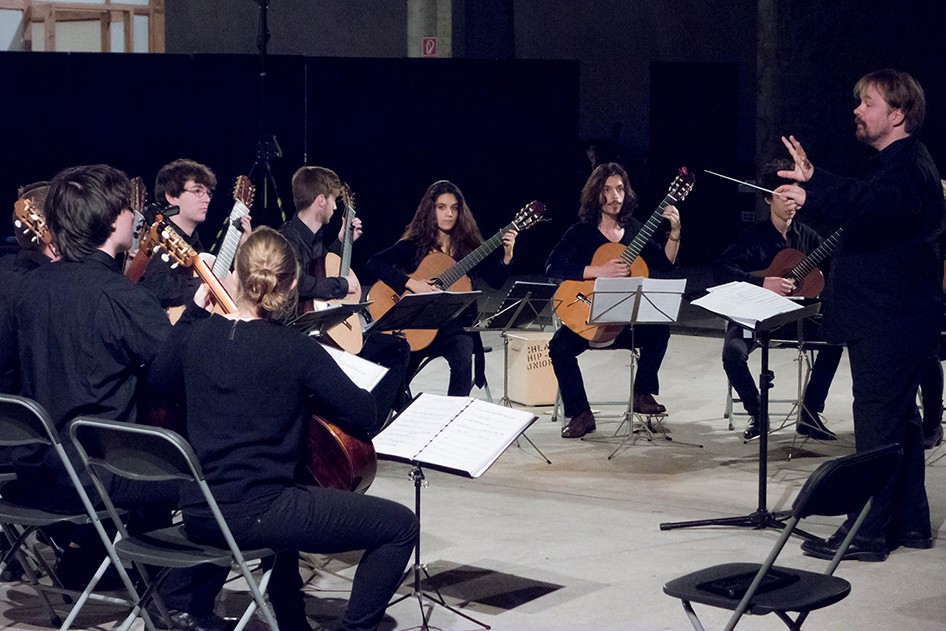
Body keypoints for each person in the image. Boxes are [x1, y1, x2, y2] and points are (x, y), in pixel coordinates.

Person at [151, 227, 418, 631]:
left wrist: (193, 311)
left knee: (292, 485)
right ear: (293, 284)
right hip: (259, 513)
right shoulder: (296, 350)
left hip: (199, 511)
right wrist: (396, 366)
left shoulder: (196, 336)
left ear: (236, 277)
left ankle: (291, 617)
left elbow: (157, 382)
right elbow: (364, 413)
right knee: (400, 526)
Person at [0, 164, 227, 629]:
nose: (133, 217)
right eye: (127, 208)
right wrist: (195, 317)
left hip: (35, 476)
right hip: (95, 478)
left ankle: (111, 566)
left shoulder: (27, 290)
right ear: (110, 221)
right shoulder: (118, 295)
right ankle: (180, 604)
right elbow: (168, 375)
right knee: (224, 485)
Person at [776, 69, 943, 561]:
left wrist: (815, 188)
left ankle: (866, 533)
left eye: (867, 102)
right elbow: (866, 216)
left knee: (875, 428)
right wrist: (813, 186)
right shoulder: (897, 163)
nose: (857, 110)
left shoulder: (908, 166)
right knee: (901, 425)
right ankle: (910, 524)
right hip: (895, 318)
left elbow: (875, 203)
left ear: (897, 114)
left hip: (889, 319)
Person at [546, 162, 681, 438]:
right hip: (589, 317)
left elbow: (666, 264)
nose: (615, 196)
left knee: (659, 330)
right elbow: (553, 268)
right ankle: (580, 413)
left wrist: (675, 232)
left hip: (624, 323)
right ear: (596, 194)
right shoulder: (581, 232)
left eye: (620, 189)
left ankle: (642, 393)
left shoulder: (635, 230)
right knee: (559, 347)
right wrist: (599, 271)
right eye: (607, 190)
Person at [714, 158, 843, 442]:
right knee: (732, 354)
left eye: (795, 196)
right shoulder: (753, 237)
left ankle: (810, 414)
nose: (791, 203)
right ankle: (758, 412)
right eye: (784, 196)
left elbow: (834, 270)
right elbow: (722, 270)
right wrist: (764, 282)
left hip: (796, 318)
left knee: (836, 339)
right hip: (756, 316)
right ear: (767, 198)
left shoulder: (808, 237)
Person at [280, 166, 410, 431]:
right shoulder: (287, 238)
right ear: (320, 200)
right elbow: (297, 283)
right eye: (332, 201)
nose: (335, 208)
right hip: (307, 339)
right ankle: (366, 423)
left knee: (396, 347)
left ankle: (373, 425)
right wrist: (342, 284)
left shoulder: (315, 238)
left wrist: (341, 243)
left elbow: (320, 267)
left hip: (329, 330)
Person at [365, 179, 516, 397]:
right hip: (418, 327)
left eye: (454, 208)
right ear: (430, 210)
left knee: (463, 352)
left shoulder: (469, 248)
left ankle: (451, 414)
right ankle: (398, 409)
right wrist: (411, 283)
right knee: (395, 377)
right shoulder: (414, 245)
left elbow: (495, 281)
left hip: (452, 328)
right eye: (442, 207)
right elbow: (374, 263)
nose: (449, 214)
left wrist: (507, 257)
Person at [140, 158, 250, 312]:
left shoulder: (196, 244)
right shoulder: (157, 237)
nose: (206, 199)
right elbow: (156, 286)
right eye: (197, 191)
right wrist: (207, 284)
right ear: (171, 196)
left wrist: (243, 248)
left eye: (208, 193)